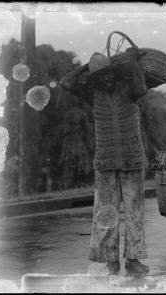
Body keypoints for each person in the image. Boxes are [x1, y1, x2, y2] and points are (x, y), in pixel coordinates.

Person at [59, 45, 149, 276]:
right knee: (106, 213)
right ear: (95, 78)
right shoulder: (92, 93)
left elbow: (142, 87)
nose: (107, 78)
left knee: (134, 213)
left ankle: (134, 259)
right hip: (106, 163)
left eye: (109, 73)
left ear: (115, 72)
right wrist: (88, 66)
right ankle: (111, 262)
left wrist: (131, 61)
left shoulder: (129, 87)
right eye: (100, 76)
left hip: (132, 159)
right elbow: (66, 83)